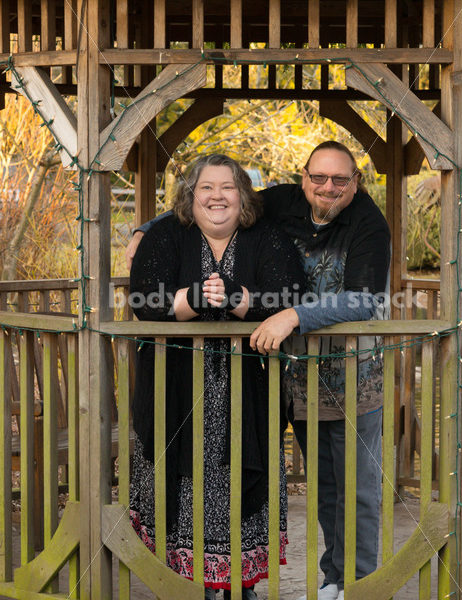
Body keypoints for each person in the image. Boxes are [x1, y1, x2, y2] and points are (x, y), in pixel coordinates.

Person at [127, 142, 391, 600]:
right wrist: (144, 228)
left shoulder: (369, 225)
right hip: (294, 377)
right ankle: (208, 579)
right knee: (321, 484)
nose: (327, 187)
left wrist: (286, 314)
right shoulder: (285, 200)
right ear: (304, 177)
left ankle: (352, 583)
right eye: (319, 177)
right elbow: (210, 203)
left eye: (340, 180)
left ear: (355, 182)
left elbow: (361, 299)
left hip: (348, 377)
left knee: (354, 485)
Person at [128, 154, 305, 600]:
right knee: (183, 481)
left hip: (249, 389)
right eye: (206, 187)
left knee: (246, 477)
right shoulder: (167, 236)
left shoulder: (268, 237)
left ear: (243, 195)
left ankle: (242, 581)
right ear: (190, 195)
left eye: (227, 187)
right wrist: (192, 298)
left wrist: (238, 297)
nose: (217, 196)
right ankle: (193, 583)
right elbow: (144, 299)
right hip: (177, 387)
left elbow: (291, 296)